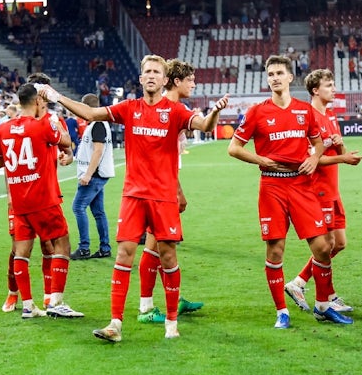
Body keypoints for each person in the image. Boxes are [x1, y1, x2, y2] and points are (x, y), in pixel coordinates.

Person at [37, 54, 229, 342]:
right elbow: (90, 114)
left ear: (165, 80)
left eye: (157, 72)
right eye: (147, 71)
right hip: (133, 196)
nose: (151, 75)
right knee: (124, 254)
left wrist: (215, 111)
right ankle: (115, 324)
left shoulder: (174, 111)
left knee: (168, 256)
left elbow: (205, 126)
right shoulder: (129, 108)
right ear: (141, 79)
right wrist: (56, 96)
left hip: (163, 198)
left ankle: (172, 322)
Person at [228, 55, 353, 329]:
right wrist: (260, 160)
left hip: (301, 184)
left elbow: (318, 143)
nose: (274, 77)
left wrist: (313, 158)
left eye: (279, 73)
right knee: (275, 250)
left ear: (289, 77)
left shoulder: (303, 110)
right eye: (270, 73)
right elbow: (233, 148)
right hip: (271, 185)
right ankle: (281, 311)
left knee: (323, 247)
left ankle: (322, 306)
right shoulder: (256, 112)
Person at [0, 84, 83, 319]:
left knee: (21, 252)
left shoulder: (2, 129)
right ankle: (56, 302)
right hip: (43, 198)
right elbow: (65, 142)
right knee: (62, 244)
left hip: (19, 202)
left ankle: (28, 305)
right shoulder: (43, 124)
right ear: (38, 102)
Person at [284, 69, 362, 314]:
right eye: (329, 85)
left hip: (332, 189)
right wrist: (342, 158)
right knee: (325, 245)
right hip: (316, 189)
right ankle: (326, 296)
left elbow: (337, 151)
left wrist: (341, 148)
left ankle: (299, 283)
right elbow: (308, 160)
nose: (334, 88)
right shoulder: (307, 116)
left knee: (339, 243)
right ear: (315, 90)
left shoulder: (330, 115)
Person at [136, 60, 206, 325]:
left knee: (166, 246)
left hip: (165, 185)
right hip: (157, 189)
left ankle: (172, 299)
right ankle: (145, 308)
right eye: (190, 80)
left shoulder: (177, 109)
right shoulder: (165, 109)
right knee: (154, 245)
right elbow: (159, 159)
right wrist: (177, 191)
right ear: (176, 81)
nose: (193, 84)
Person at [69, 94, 115, 261]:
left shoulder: (97, 124)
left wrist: (88, 173)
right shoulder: (98, 124)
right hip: (98, 174)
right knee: (98, 212)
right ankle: (104, 247)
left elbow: (98, 150)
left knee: (78, 207)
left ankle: (84, 248)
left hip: (94, 175)